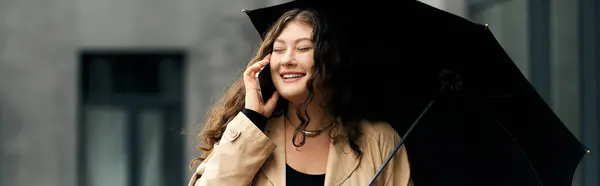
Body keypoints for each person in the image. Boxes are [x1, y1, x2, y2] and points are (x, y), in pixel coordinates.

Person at [188, 8, 412, 186]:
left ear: (332, 60)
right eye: (278, 49)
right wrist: (252, 121)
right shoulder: (252, 135)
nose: (287, 59)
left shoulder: (379, 141)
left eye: (303, 48)